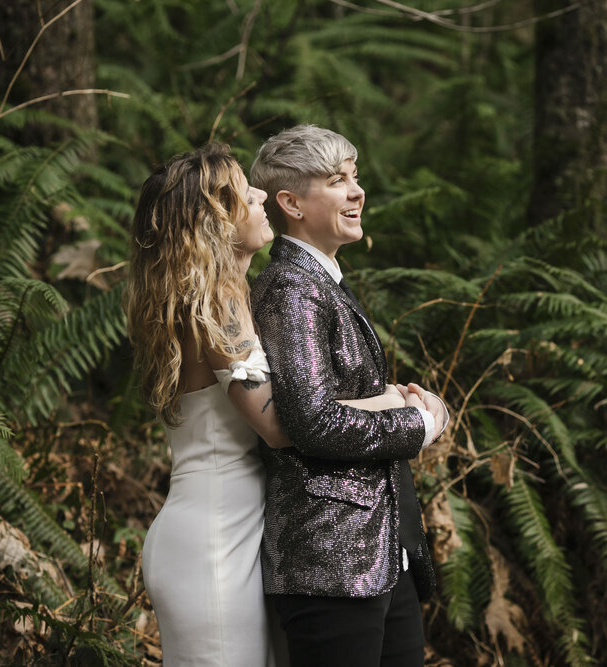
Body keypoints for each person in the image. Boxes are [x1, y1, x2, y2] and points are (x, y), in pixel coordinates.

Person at [126, 144, 407, 666]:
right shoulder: (216, 304)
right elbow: (279, 425)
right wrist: (387, 404)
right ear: (209, 224)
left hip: (242, 526)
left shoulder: (231, 293)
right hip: (213, 534)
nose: (258, 196)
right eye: (239, 194)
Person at [248, 124, 448, 666]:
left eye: (354, 177)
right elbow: (311, 422)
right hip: (331, 563)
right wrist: (418, 426)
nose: (357, 191)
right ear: (290, 202)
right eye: (337, 180)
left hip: (380, 553)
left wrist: (408, 402)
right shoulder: (291, 290)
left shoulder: (324, 283)